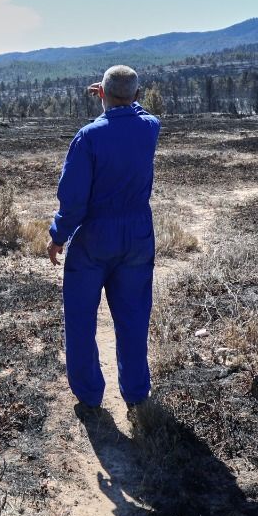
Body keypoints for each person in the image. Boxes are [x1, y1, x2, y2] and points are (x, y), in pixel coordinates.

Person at [49, 64, 161, 414]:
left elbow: (74, 197)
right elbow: (138, 111)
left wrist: (58, 235)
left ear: (103, 95)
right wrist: (120, 100)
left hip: (95, 236)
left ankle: (89, 394)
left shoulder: (88, 137)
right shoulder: (150, 128)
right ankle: (135, 392)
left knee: (81, 319)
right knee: (133, 317)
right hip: (138, 234)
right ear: (137, 96)